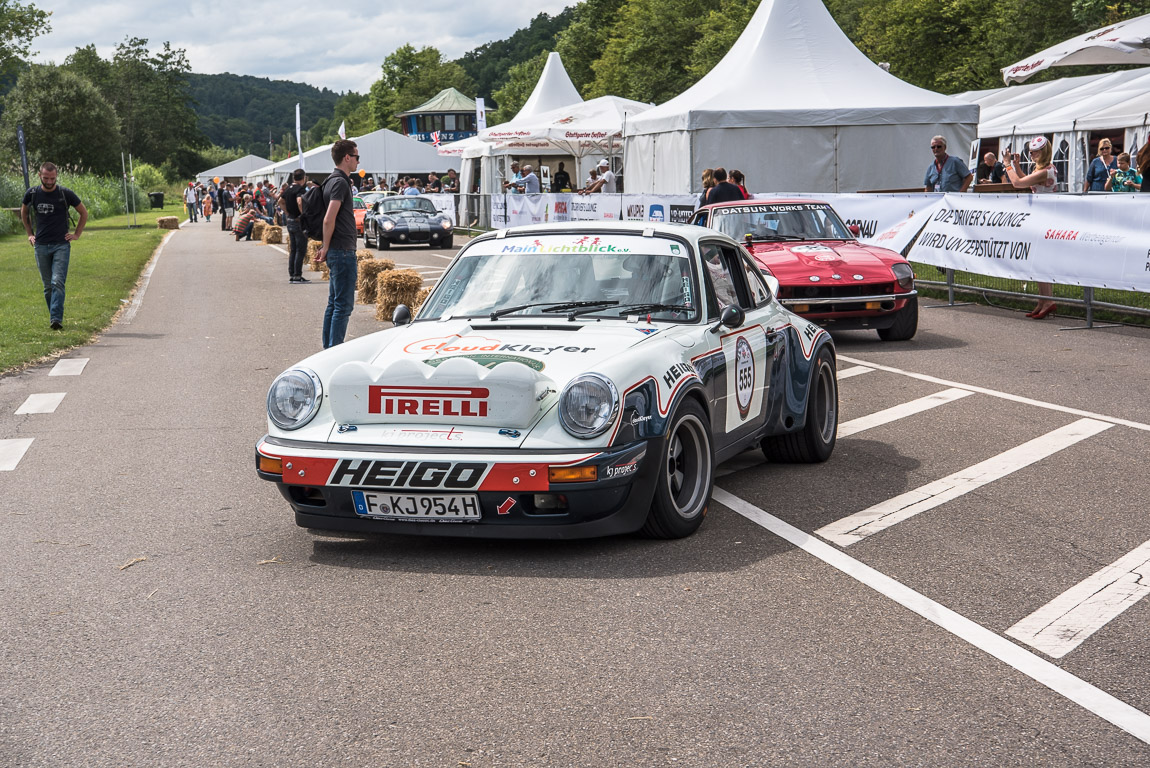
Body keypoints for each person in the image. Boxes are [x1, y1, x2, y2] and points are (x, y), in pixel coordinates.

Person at [20, 162, 89, 330]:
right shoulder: (32, 193)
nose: (49, 181)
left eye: (52, 178)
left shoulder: (65, 193)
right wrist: (30, 233)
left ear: (56, 176)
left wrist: (77, 234)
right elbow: (24, 212)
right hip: (41, 246)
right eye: (46, 178)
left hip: (61, 245)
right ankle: (54, 316)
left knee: (57, 281)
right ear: (39, 175)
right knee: (48, 286)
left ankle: (56, 319)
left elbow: (83, 212)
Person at [1003, 136, 1058, 319]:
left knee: (1040, 260)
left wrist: (1007, 165)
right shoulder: (1044, 169)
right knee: (1037, 261)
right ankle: (1043, 300)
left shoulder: (1047, 170)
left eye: (1034, 152)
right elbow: (1026, 179)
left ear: (1043, 152)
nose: (1031, 154)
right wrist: (1017, 166)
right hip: (1040, 217)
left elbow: (1018, 183)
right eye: (1030, 152)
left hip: (1044, 218)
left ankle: (1047, 300)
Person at [316, 139, 360, 348]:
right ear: (347, 158)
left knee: (334, 304)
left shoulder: (331, 180)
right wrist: (325, 246)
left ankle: (328, 349)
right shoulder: (340, 183)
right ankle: (333, 350)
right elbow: (329, 217)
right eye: (357, 157)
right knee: (343, 306)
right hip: (341, 251)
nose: (358, 162)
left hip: (338, 249)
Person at [278, 168, 310, 284]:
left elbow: (280, 201)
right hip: (298, 221)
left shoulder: (288, 189)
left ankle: (292, 274)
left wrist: (287, 213)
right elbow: (300, 201)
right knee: (300, 250)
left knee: (293, 249)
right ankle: (297, 275)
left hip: (290, 220)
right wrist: (303, 215)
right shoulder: (300, 189)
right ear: (304, 178)